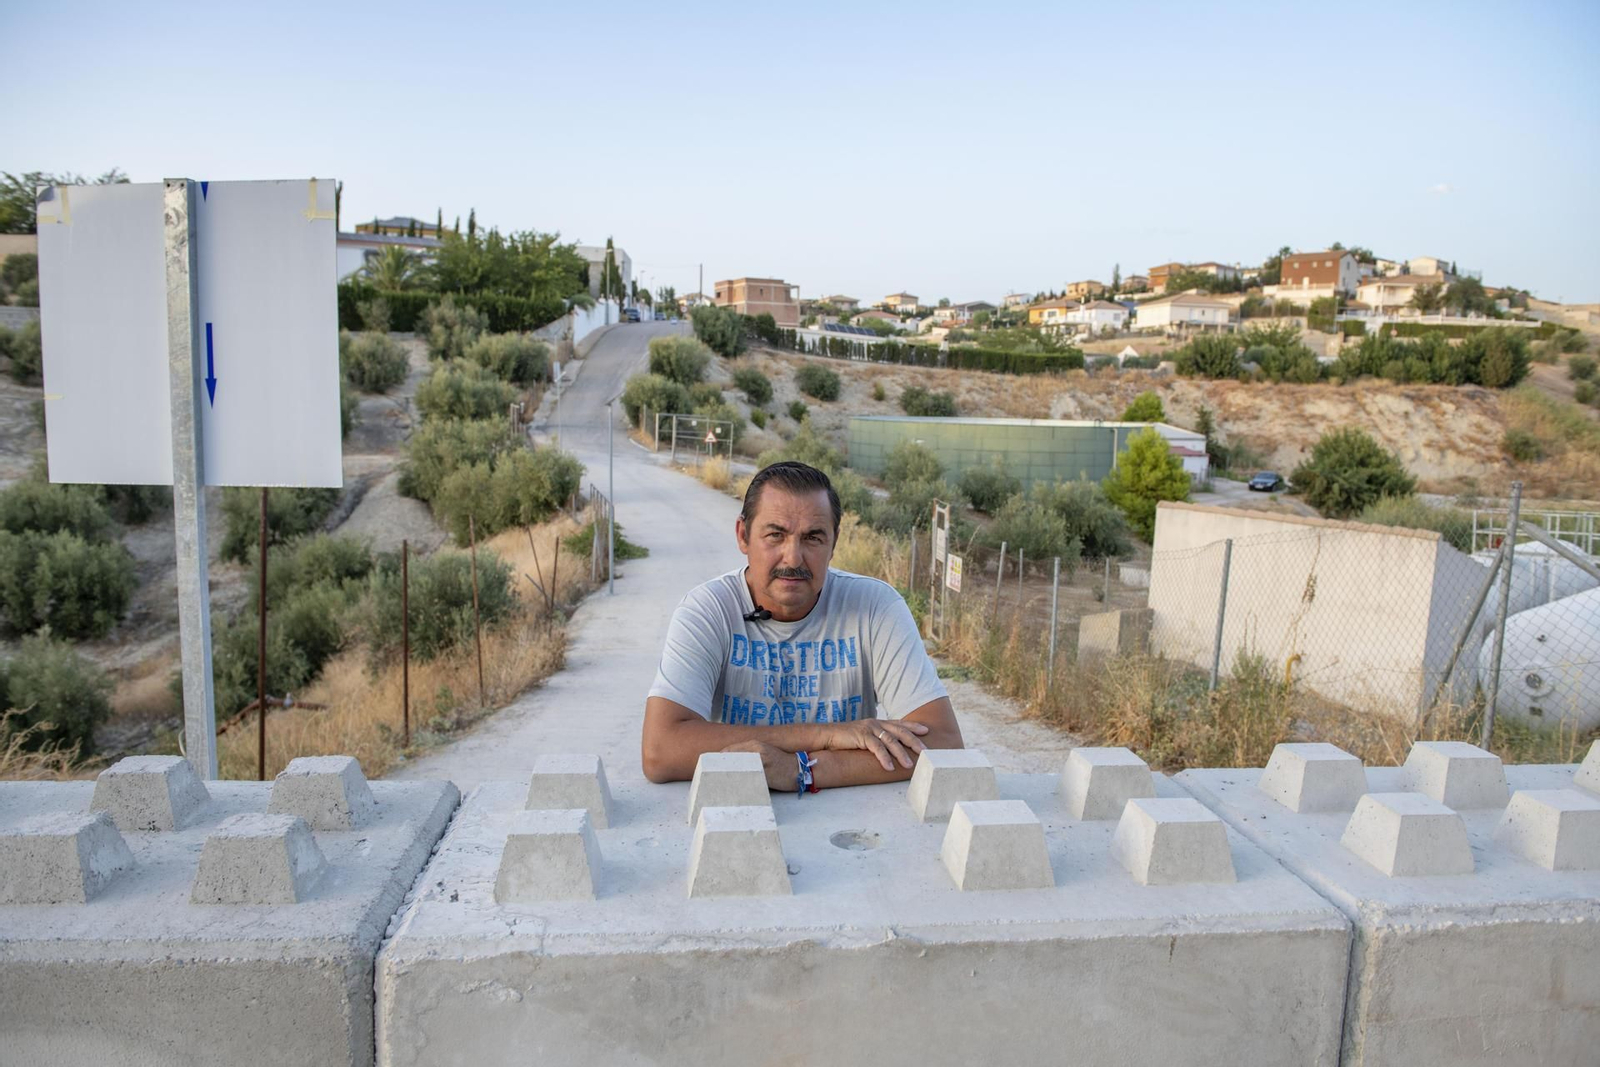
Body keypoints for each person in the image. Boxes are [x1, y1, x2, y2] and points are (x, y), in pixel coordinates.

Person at [642, 461, 963, 792]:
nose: (793, 558)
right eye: (775, 535)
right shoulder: (707, 611)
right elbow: (660, 750)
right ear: (743, 535)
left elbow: (943, 740)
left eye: (812, 538)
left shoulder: (875, 607)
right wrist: (825, 734)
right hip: (736, 814)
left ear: (833, 543)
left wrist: (803, 770)